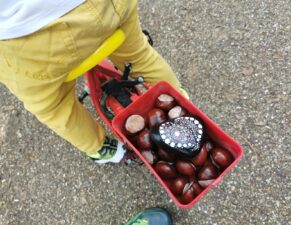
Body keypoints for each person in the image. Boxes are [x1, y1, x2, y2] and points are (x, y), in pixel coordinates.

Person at [0, 0, 184, 164]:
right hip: (104, 8)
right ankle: (181, 104)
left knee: (54, 107)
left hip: (27, 41)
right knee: (140, 56)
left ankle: (103, 150)